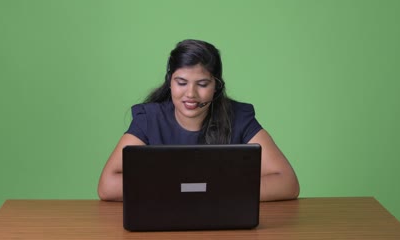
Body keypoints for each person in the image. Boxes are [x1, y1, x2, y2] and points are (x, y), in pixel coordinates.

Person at [98, 39, 299, 201]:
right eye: (181, 83)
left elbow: (287, 183)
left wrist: (212, 191)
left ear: (217, 86)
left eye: (202, 84)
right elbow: (107, 186)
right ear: (170, 82)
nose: (191, 94)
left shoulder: (238, 118)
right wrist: (181, 189)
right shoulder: (149, 119)